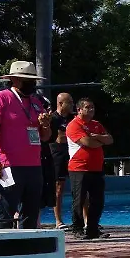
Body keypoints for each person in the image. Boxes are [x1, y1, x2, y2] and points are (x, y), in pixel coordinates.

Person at [0, 61, 53, 229]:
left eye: (33, 80)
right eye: (26, 80)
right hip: (8, 165)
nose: (31, 84)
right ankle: (0, 248)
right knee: (6, 210)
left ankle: (25, 248)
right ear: (14, 80)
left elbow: (45, 137)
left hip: (34, 165)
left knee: (31, 210)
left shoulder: (36, 103)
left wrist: (45, 125)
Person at [66, 98, 113, 239]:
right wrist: (99, 141)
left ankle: (92, 229)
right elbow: (87, 142)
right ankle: (77, 228)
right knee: (79, 200)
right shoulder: (74, 125)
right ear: (79, 110)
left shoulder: (96, 125)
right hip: (79, 168)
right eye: (87, 107)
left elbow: (110, 139)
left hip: (96, 168)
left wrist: (97, 137)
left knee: (97, 200)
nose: (91, 109)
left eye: (92, 107)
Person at [48, 92, 75, 229]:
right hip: (57, 154)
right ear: (60, 104)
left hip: (71, 153)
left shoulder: (73, 118)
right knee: (58, 188)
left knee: (79, 186)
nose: (72, 105)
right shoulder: (52, 118)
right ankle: (58, 220)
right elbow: (57, 138)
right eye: (69, 102)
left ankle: (83, 220)